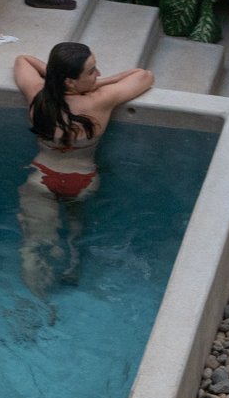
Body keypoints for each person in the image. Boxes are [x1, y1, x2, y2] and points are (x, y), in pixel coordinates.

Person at [11, 40, 154, 299]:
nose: (98, 74)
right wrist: (100, 84)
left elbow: (23, 59)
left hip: (42, 179)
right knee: (75, 230)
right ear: (70, 81)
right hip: (83, 182)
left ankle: (37, 298)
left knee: (36, 244)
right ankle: (73, 266)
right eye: (91, 71)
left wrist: (61, 80)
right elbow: (144, 76)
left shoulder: (36, 94)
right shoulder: (100, 100)